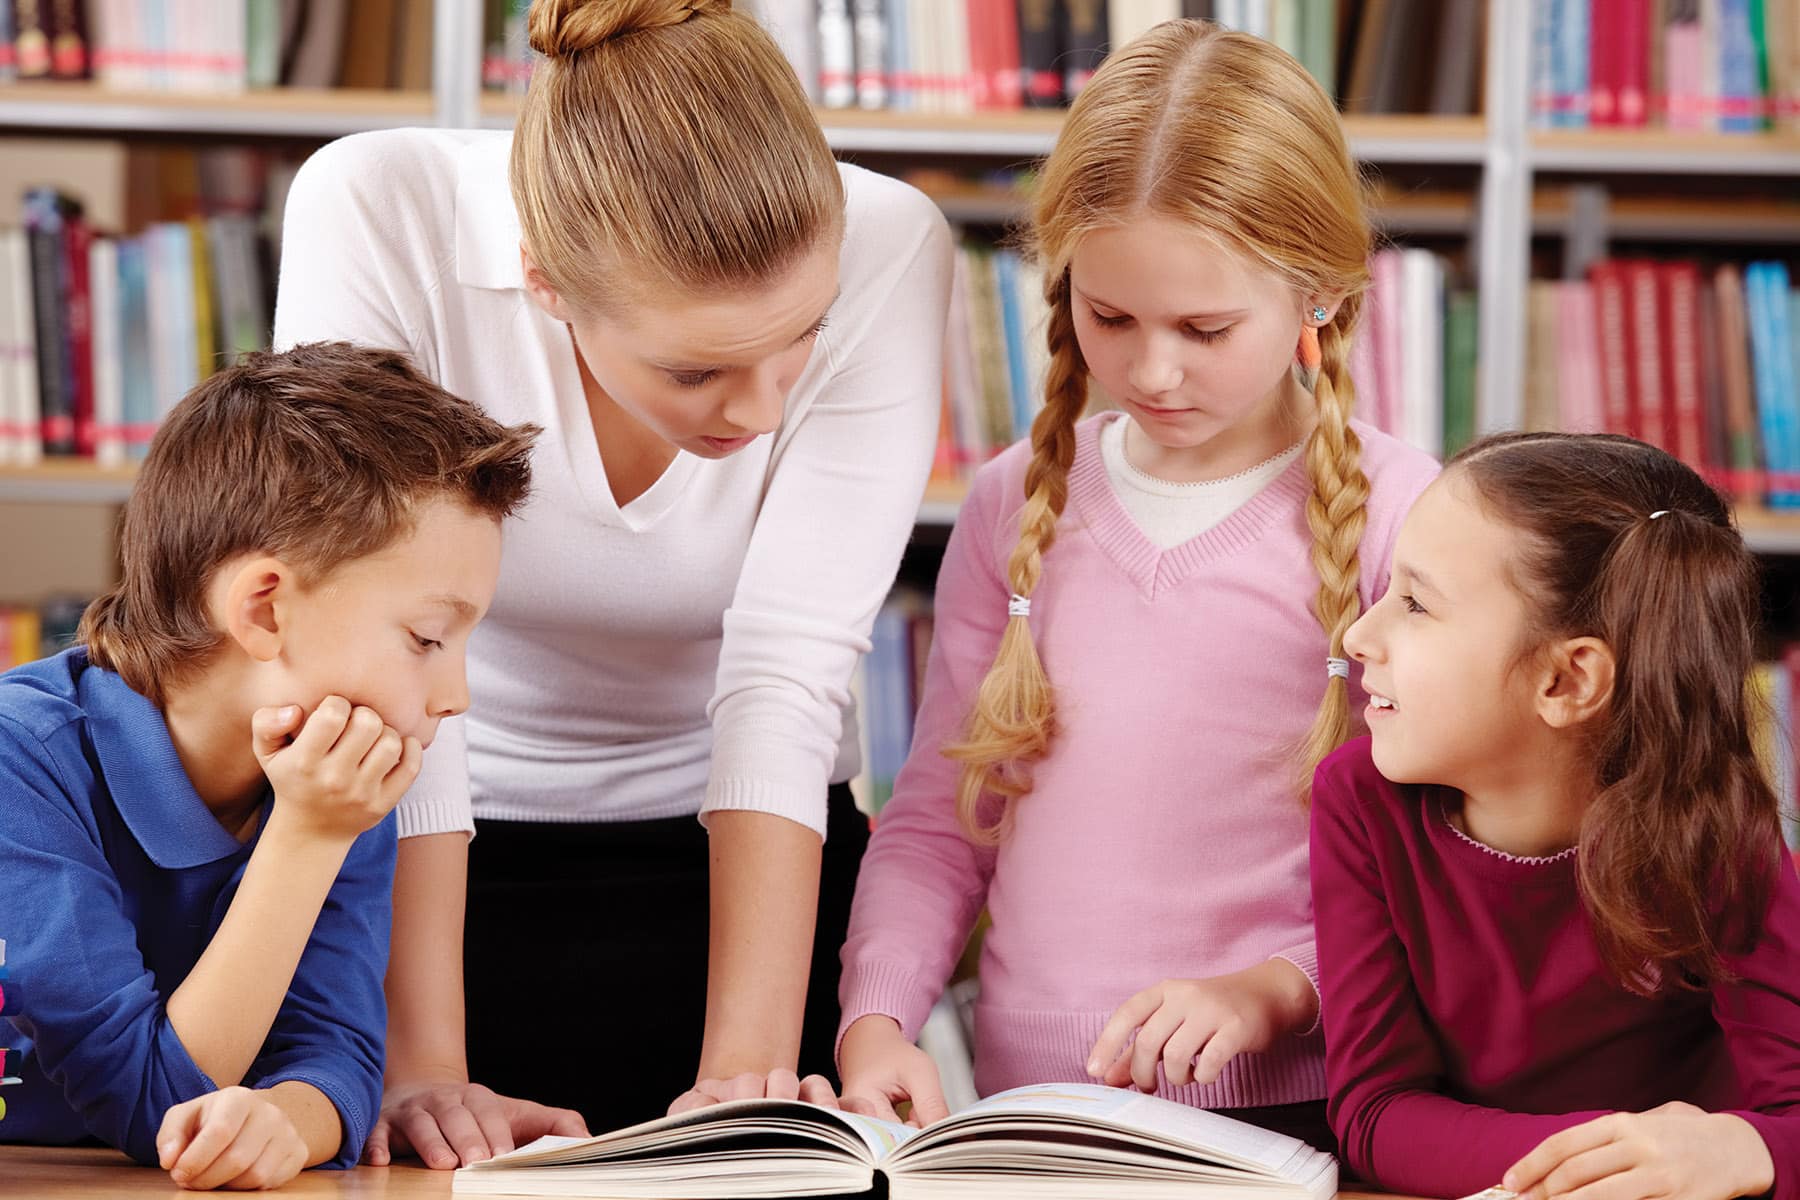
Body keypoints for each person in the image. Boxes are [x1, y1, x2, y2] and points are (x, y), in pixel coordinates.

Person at [271, 0, 952, 1158]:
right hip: (424, 849)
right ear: (543, 279)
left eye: (802, 339)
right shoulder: (379, 213)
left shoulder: (893, 241)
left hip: (749, 873)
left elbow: (788, 673)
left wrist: (747, 1073)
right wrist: (426, 1063)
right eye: (698, 369)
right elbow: (389, 642)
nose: (763, 407)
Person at [832, 20, 1438, 1150]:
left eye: (1206, 329)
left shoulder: (1409, 517)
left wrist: (1273, 990)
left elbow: (1441, 850)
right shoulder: (1016, 501)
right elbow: (939, 820)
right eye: (1108, 318)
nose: (1153, 371)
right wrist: (878, 1017)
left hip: (1295, 1112)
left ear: (1319, 296)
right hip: (1029, 1112)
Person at [0, 343, 537, 1190]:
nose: (455, 696)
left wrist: (285, 1118)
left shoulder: (333, 780)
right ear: (264, 608)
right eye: (428, 640)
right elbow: (152, 1104)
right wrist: (306, 838)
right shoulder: (19, 758)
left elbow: (342, 1055)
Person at [1314, 432, 1800, 1200]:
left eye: (1414, 603)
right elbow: (1375, 1116)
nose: (1358, 635)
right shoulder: (1360, 799)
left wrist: (1739, 1146)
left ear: (1568, 679)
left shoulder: (1717, 828)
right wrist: (1620, 1160)